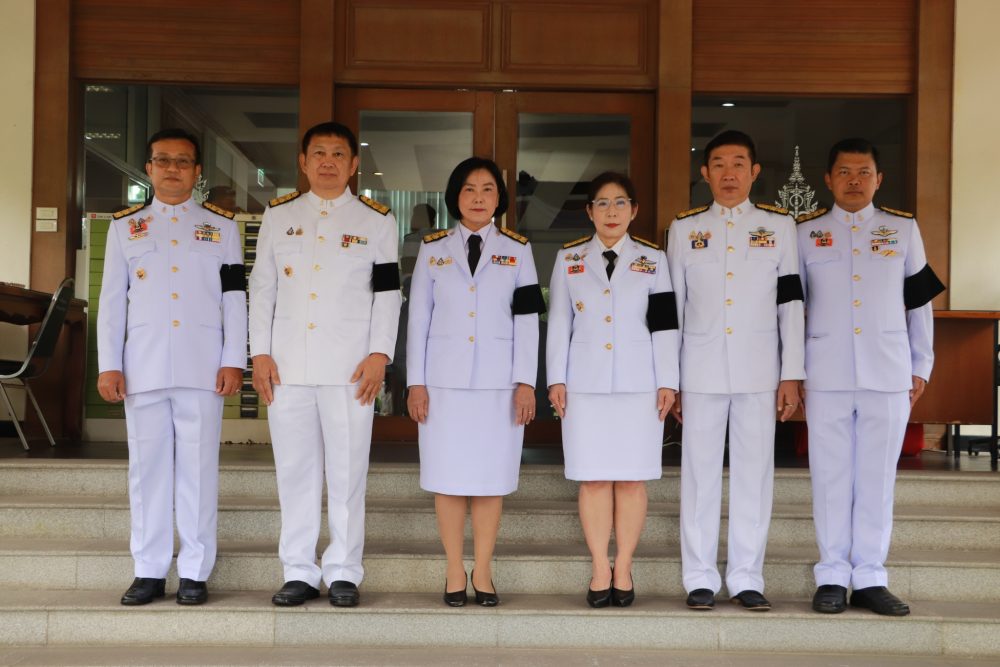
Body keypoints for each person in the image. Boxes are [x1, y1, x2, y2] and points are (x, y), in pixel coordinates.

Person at [249, 121, 402, 608]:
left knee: (347, 473)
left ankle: (343, 571)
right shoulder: (279, 215)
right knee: (294, 472)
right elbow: (262, 288)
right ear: (303, 161)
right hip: (287, 367)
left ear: (354, 165)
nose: (328, 162)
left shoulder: (376, 221)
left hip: (351, 369)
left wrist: (380, 353)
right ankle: (298, 569)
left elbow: (388, 292)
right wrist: (259, 352)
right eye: (319, 153)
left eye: (338, 154)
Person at [97, 128, 247, 606]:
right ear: (149, 168)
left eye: (183, 161)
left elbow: (234, 299)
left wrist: (234, 360)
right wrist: (109, 365)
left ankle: (195, 572)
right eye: (163, 160)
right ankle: (149, 570)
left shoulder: (222, 227)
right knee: (147, 472)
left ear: (197, 171)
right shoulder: (125, 227)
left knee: (199, 471)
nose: (172, 169)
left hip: (203, 367)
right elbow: (111, 303)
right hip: (142, 367)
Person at [796, 138, 944, 616]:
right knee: (830, 477)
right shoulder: (806, 233)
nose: (854, 181)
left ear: (879, 179)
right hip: (826, 371)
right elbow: (793, 309)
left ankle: (870, 577)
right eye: (844, 172)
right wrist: (793, 369)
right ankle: (832, 575)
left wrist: (921, 364)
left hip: (888, 370)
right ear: (828, 179)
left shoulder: (902, 229)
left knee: (878, 478)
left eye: (864, 172)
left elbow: (919, 304)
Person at [667, 130, 805, 612]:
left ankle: (747, 576)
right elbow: (673, 308)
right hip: (699, 371)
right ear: (705, 173)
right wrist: (671, 379)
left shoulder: (780, 226)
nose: (729, 173)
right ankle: (699, 577)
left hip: (759, 370)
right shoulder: (684, 228)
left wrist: (792, 373)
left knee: (754, 476)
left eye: (739, 164)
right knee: (699, 476)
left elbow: (791, 303)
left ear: (754, 171)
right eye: (720, 164)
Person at [406, 156, 544, 607]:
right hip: (442, 385)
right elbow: (418, 319)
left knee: (490, 480)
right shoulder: (432, 249)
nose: (479, 197)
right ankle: (453, 568)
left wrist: (526, 382)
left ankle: (482, 569)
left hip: (498, 386)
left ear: (499, 199)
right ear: (455, 197)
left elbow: (527, 320)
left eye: (488, 189)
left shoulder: (518, 250)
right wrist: (415, 382)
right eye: (469, 189)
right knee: (447, 479)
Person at [546, 171, 679, 608]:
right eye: (602, 203)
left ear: (634, 210)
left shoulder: (653, 259)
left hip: (640, 385)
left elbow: (664, 324)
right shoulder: (569, 259)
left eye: (620, 202)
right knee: (594, 478)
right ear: (589, 211)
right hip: (584, 384)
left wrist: (668, 380)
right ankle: (600, 566)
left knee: (632, 479)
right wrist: (556, 378)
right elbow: (559, 321)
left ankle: (624, 565)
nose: (611, 211)